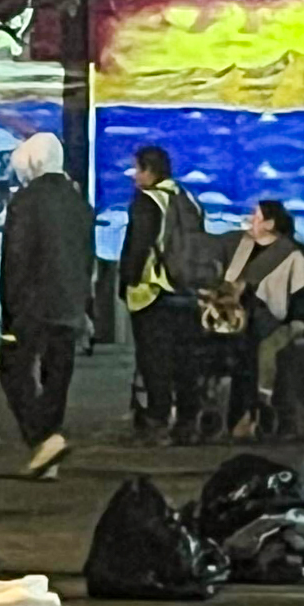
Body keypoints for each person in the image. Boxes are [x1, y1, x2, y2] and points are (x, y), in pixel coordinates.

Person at [0, 132, 92, 477]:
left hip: (32, 304)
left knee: (13, 368)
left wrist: (9, 310)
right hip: (69, 302)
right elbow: (86, 257)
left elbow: (16, 259)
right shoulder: (78, 201)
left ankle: (42, 437)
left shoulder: (26, 201)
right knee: (57, 376)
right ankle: (48, 445)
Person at [119, 143, 210, 442]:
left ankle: (158, 422)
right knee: (186, 362)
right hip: (188, 291)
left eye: (137, 169)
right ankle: (188, 422)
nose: (134, 176)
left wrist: (127, 282)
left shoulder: (148, 202)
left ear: (149, 171)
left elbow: (137, 247)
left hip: (154, 291)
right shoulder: (189, 200)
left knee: (154, 361)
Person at [219, 199, 304, 434]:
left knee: (257, 352)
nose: (250, 221)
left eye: (256, 217)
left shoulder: (290, 254)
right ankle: (235, 418)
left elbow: (303, 295)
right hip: (237, 319)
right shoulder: (242, 247)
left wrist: (300, 323)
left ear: (269, 223)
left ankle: (257, 412)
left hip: (270, 320)